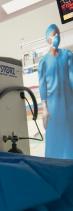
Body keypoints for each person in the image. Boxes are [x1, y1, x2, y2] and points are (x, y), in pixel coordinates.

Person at [38, 24, 73, 159]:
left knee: (70, 135)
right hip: (53, 106)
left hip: (69, 102)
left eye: (58, 33)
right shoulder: (43, 61)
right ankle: (54, 168)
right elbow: (42, 84)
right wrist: (44, 108)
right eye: (54, 34)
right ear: (48, 39)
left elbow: (72, 76)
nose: (57, 36)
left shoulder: (68, 55)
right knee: (54, 139)